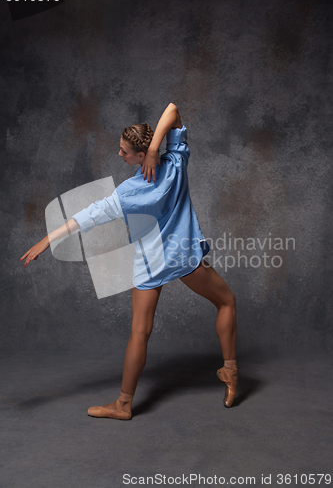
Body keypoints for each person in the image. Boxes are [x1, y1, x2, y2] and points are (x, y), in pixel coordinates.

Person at [20, 103, 238, 420]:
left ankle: (123, 405)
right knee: (227, 302)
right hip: (183, 257)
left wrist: (47, 239)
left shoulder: (127, 192)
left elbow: (88, 216)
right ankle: (230, 372)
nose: (119, 155)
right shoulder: (176, 163)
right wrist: (156, 150)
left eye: (124, 152)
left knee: (139, 332)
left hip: (151, 265)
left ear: (139, 156)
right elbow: (173, 110)